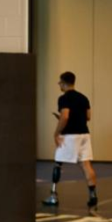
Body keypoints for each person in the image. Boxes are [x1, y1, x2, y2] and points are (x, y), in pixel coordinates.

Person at [44, 71, 97, 208]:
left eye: (60, 82)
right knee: (86, 165)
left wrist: (56, 133)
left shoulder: (64, 98)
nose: (59, 85)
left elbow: (65, 116)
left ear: (63, 83)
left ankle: (53, 196)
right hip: (84, 134)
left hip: (70, 135)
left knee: (58, 163)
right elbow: (88, 117)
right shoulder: (83, 98)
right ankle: (93, 195)